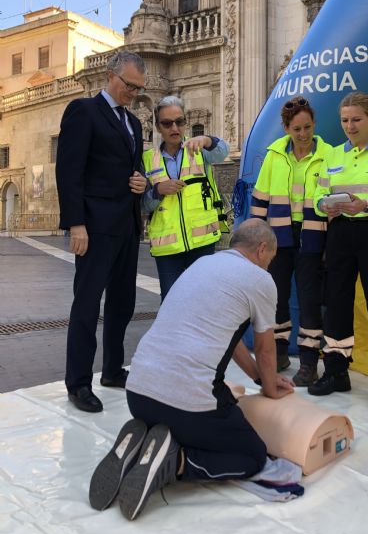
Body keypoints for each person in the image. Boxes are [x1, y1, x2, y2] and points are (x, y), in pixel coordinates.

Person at [88, 218, 295, 520]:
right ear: (262, 249)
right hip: (185, 405)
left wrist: (255, 377)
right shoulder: (260, 280)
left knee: (202, 413)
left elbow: (229, 335)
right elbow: (265, 348)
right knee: (252, 456)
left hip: (138, 395)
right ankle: (176, 462)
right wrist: (270, 388)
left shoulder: (202, 265)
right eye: (270, 260)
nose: (269, 267)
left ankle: (144, 444)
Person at [56, 51, 147, 414]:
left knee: (123, 302)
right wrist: (76, 223)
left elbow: (133, 167)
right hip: (93, 227)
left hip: (126, 225)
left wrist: (140, 181)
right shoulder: (84, 111)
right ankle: (78, 381)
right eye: (129, 86)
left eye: (138, 89)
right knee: (87, 303)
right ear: (111, 76)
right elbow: (69, 170)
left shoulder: (134, 124)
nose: (133, 93)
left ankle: (112, 369)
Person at [309, 91, 368, 412]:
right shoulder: (334, 156)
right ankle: (337, 372)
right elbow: (319, 193)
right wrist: (326, 205)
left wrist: (367, 203)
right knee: (335, 300)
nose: (350, 126)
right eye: (345, 120)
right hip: (340, 233)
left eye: (356, 120)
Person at [250, 96, 332, 386]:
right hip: (278, 238)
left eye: (307, 127)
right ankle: (279, 355)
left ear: (314, 125)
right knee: (276, 299)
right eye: (296, 129)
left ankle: (309, 363)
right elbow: (259, 201)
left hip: (312, 236)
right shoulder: (274, 156)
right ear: (286, 129)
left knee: (310, 301)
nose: (303, 134)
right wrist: (258, 242)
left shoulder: (330, 156)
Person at [142, 95, 229, 299]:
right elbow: (145, 204)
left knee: (202, 299)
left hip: (202, 241)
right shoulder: (147, 159)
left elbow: (222, 152)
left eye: (180, 121)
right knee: (171, 300)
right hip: (167, 247)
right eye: (167, 123)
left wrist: (208, 139)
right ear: (157, 127)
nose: (175, 128)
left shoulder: (198, 148)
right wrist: (158, 191)